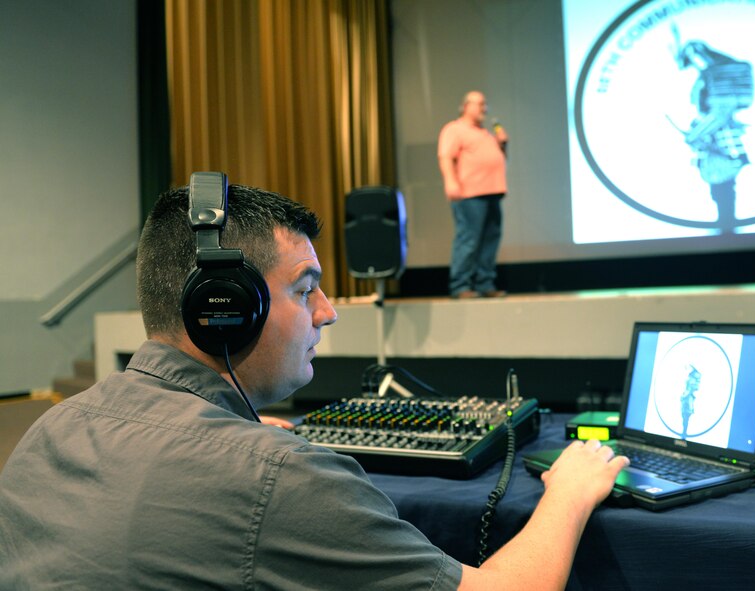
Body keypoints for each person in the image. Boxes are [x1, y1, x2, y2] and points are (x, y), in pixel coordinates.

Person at [0, 175, 628, 590]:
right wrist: (569, 491)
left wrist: (238, 437)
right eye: (305, 289)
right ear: (224, 307)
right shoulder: (275, 476)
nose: (327, 311)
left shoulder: (51, 430)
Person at [438, 90, 509, 298]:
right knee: (468, 239)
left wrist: (502, 145)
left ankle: (484, 283)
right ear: (466, 106)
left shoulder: (485, 133)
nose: (484, 108)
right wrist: (450, 182)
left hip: (492, 192)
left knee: (490, 239)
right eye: (480, 104)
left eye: (485, 104)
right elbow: (445, 157)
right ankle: (460, 285)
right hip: (470, 194)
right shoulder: (455, 129)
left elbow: (498, 160)